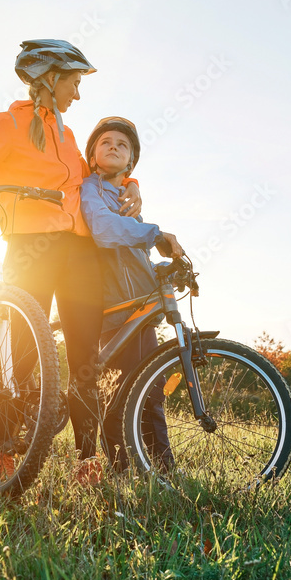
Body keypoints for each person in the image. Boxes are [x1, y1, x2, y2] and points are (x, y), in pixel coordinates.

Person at [0, 40, 141, 486]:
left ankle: (87, 464)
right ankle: (4, 456)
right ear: (49, 78)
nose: (78, 95)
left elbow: (97, 176)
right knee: (20, 362)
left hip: (80, 255)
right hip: (31, 248)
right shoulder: (7, 123)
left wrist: (133, 184)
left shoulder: (68, 137)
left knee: (85, 362)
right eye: (74, 83)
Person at [80, 116, 183, 472]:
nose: (113, 147)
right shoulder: (89, 189)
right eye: (106, 141)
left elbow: (136, 258)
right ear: (93, 153)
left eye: (122, 145)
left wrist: (162, 270)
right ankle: (121, 467)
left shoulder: (128, 199)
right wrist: (154, 234)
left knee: (151, 390)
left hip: (140, 310)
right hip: (112, 307)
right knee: (120, 391)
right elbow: (104, 229)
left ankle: (162, 467)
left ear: (131, 162)